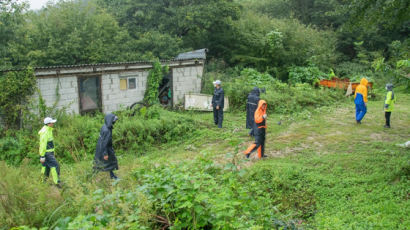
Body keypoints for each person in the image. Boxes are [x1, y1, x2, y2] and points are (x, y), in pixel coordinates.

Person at [94, 113, 119, 179]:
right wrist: (105, 153)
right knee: (110, 161)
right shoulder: (107, 130)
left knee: (101, 161)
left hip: (101, 148)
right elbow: (104, 143)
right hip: (105, 148)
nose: (115, 122)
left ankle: (112, 175)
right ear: (110, 120)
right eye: (114, 121)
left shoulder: (105, 126)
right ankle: (112, 176)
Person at [39, 117, 61, 187]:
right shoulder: (45, 132)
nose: (53, 123)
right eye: (52, 122)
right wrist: (42, 156)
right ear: (48, 124)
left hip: (49, 153)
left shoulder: (48, 130)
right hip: (46, 153)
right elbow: (42, 144)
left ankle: (43, 183)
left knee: (46, 167)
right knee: (55, 165)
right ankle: (57, 182)